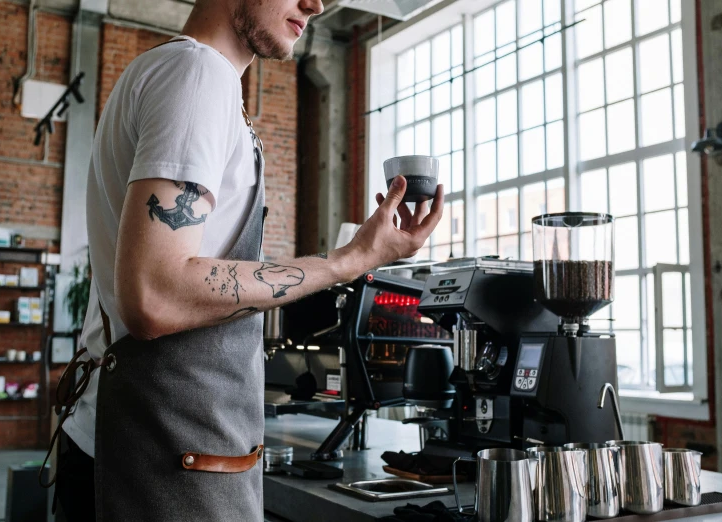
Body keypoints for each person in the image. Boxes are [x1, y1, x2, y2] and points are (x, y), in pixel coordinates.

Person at [50, 0, 444, 521]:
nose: (317, 4)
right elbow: (155, 292)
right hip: (159, 455)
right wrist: (345, 262)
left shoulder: (181, 75)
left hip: (155, 445)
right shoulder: (197, 76)